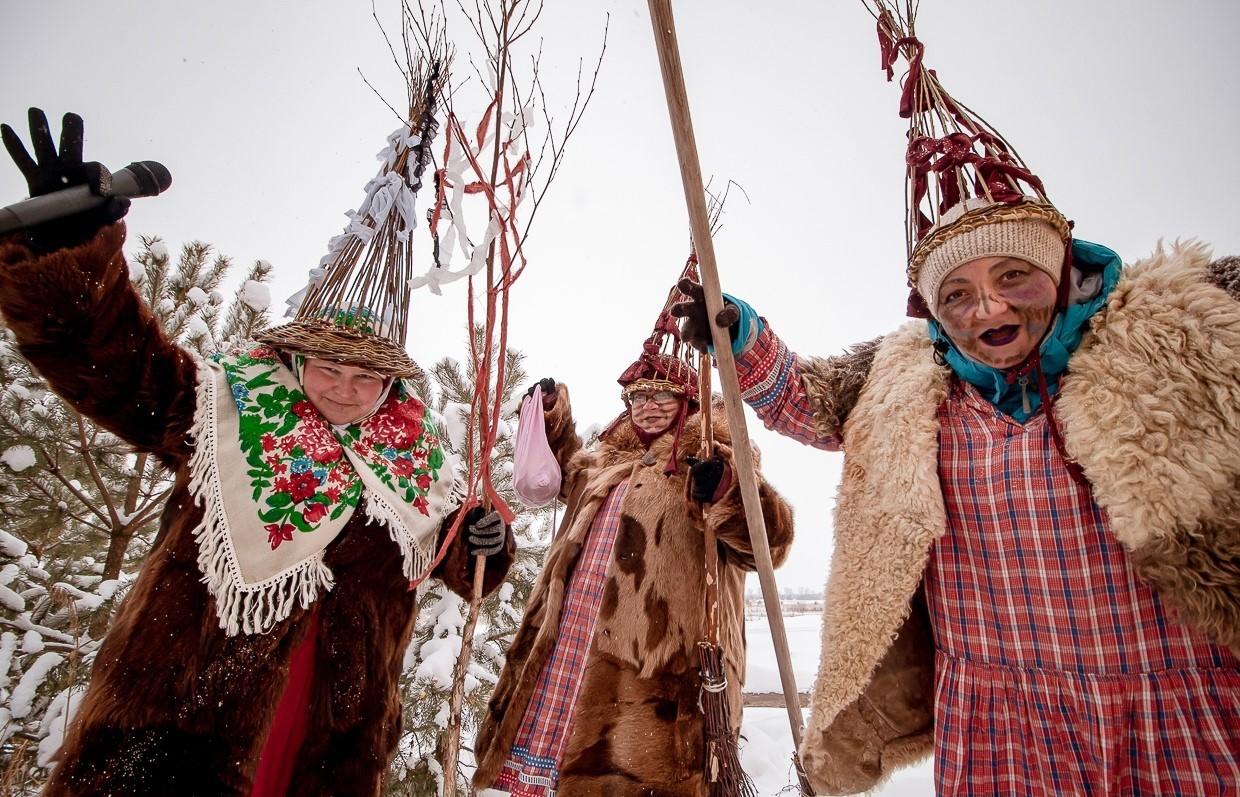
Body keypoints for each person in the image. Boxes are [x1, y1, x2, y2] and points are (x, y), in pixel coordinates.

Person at [673, 7, 1240, 795]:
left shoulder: (1164, 335)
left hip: (1173, 706)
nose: (989, 310)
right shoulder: (912, 378)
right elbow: (807, 396)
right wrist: (739, 335)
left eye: (1014, 276)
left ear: (1061, 264)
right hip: (1002, 720)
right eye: (958, 293)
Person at [0, 108, 514, 796]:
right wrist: (70, 259)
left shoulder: (413, 463)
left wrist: (487, 541)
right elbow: (112, 365)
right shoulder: (220, 409)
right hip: (175, 728)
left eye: (365, 377)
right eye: (327, 368)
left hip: (327, 748)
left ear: (391, 385)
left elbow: (461, 561)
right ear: (292, 360)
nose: (344, 388)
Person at [471, 332, 795, 795]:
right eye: (637, 396)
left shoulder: (711, 460)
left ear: (687, 399)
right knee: (562, 766)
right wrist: (550, 417)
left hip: (661, 663)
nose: (647, 405)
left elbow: (772, 544)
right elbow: (560, 475)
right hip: (571, 637)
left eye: (661, 394)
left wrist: (729, 495)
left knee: (639, 775)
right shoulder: (607, 461)